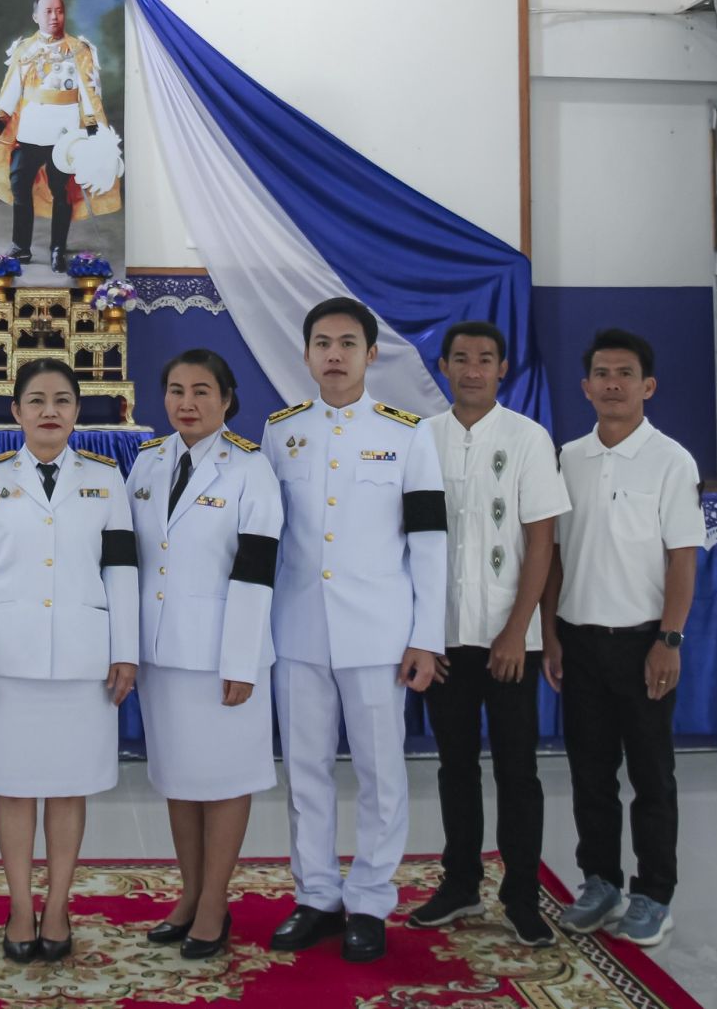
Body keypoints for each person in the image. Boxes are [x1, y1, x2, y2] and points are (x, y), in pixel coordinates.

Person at [259, 297, 446, 963]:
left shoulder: (408, 434)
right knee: (304, 770)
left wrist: (427, 636)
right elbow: (266, 536)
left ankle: (368, 900)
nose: (333, 355)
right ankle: (316, 895)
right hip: (298, 628)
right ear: (307, 354)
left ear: (371, 354)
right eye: (322, 343)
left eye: (346, 344)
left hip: (379, 634)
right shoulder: (281, 432)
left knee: (379, 772)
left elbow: (429, 542)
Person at [0, 357, 139, 963]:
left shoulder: (106, 480)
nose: (49, 411)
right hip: (6, 661)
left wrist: (126, 650)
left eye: (62, 400)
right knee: (12, 788)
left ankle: (57, 905)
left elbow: (122, 568)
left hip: (84, 661)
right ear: (16, 411)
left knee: (68, 789)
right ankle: (17, 905)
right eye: (36, 400)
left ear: (78, 411)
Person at [542, 328, 705, 948]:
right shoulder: (568, 458)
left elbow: (682, 558)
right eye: (602, 374)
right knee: (590, 773)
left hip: (643, 644)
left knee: (651, 776)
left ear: (648, 386)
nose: (613, 384)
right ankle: (600, 882)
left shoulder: (672, 460)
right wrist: (551, 635)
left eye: (625, 374)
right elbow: (555, 557)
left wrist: (670, 639)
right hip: (579, 641)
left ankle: (654, 894)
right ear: (585, 387)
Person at [410, 321, 570, 946]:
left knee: (517, 770)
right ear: (444, 367)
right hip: (444, 639)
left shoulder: (528, 438)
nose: (472, 369)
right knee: (454, 766)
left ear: (503, 369)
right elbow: (409, 543)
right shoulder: (421, 439)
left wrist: (516, 632)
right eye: (461, 358)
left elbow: (541, 543)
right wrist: (424, 634)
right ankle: (460, 884)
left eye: (485, 359)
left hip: (510, 642)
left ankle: (522, 896)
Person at [128, 349, 282, 960]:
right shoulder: (147, 462)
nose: (186, 403)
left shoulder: (250, 468)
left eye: (200, 391)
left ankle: (215, 902)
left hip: (223, 655)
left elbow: (256, 570)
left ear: (226, 399)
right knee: (180, 779)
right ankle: (190, 895)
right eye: (175, 390)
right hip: (162, 653)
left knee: (224, 780)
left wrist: (241, 661)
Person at [0, 0, 117, 273]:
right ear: (36, 17)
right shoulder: (25, 49)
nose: (54, 17)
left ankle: (57, 249)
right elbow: (10, 93)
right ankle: (21, 246)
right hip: (29, 132)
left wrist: (93, 133)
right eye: (48, 11)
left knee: (61, 192)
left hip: (64, 137)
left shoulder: (78, 50)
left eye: (59, 11)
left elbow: (88, 96)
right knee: (20, 186)